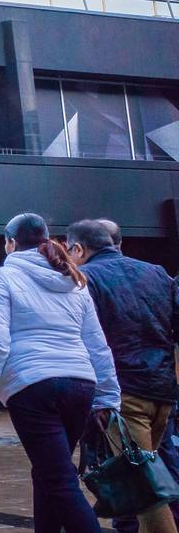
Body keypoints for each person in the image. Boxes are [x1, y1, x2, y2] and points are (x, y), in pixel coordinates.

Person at [0, 213, 120, 533]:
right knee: (48, 472)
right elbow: (96, 344)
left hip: (33, 386)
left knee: (59, 479)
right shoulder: (73, 279)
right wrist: (108, 396)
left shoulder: (3, 277)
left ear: (11, 243)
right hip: (81, 384)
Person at [66, 219, 179, 533]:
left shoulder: (85, 279)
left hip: (122, 393)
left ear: (78, 248)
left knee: (144, 489)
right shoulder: (156, 272)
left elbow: (88, 340)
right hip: (162, 391)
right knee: (147, 475)